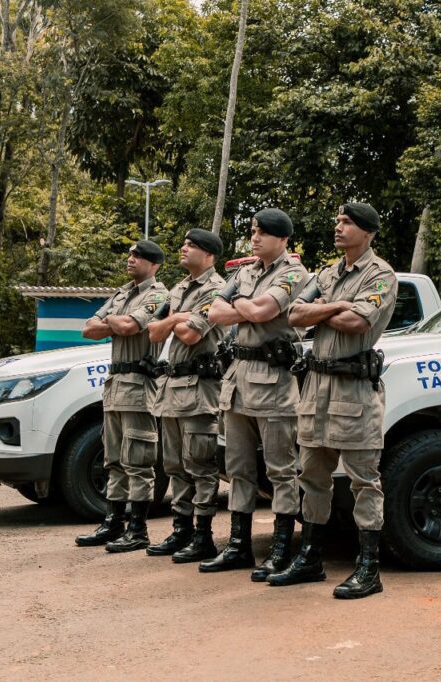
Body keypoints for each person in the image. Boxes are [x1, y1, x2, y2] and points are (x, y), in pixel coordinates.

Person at [267, 202, 398, 599]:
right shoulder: (326, 274)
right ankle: (310, 557)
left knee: (363, 481)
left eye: (347, 222)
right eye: (338, 221)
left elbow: (358, 322)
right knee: (312, 476)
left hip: (353, 390)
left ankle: (368, 568)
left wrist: (322, 311)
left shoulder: (381, 275)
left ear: (368, 231)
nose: (338, 227)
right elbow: (293, 313)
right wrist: (337, 305)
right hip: (316, 389)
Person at [201, 208, 308, 576]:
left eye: (263, 232)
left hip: (274, 382)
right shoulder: (244, 272)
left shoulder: (293, 272)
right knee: (238, 469)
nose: (255, 237)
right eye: (252, 230)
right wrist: (246, 308)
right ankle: (237, 547)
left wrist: (240, 306)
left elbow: (264, 311)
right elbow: (213, 311)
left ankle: (280, 549)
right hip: (238, 379)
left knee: (280, 469)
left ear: (282, 239)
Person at [75, 240, 168, 552]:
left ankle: (138, 529)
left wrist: (112, 322)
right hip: (115, 384)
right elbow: (88, 329)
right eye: (130, 254)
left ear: (153, 264)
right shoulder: (122, 292)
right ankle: (113, 523)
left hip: (139, 385)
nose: (131, 259)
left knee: (138, 460)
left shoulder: (158, 294)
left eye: (138, 255)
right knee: (113, 458)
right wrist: (118, 323)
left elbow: (129, 325)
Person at [144, 229, 227, 563]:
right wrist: (179, 318)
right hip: (172, 388)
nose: (183, 247)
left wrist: (174, 319)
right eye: (185, 243)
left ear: (208, 255)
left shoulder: (218, 289)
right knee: (175, 464)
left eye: (191, 245)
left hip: (199, 388)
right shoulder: (178, 289)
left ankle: (203, 536)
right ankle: (181, 530)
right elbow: (152, 331)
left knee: (200, 465)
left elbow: (192, 334)